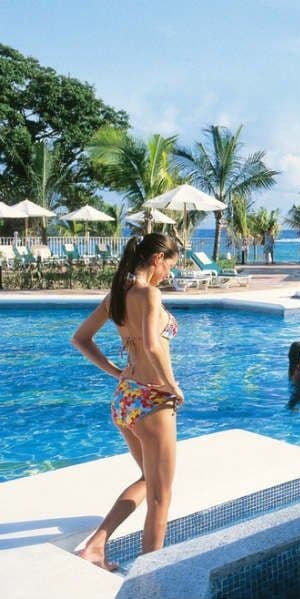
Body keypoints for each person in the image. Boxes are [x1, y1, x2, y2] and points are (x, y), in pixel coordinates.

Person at [71, 233, 184, 571]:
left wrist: (116, 371)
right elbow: (151, 345)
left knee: (150, 480)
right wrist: (173, 386)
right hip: (152, 399)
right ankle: (149, 582)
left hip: (126, 399)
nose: (168, 274)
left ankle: (96, 545)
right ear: (156, 260)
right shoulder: (150, 293)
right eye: (169, 267)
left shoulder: (116, 296)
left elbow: (81, 338)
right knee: (161, 499)